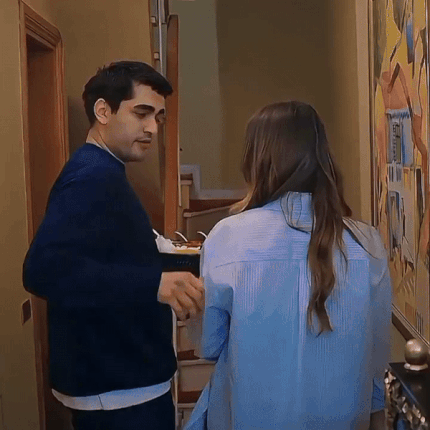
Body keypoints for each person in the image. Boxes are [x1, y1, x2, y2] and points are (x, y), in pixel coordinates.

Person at [184, 101, 391, 430]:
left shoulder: (228, 237)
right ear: (323, 157)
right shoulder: (367, 243)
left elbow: (209, 344)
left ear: (256, 160)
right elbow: (377, 357)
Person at [23, 61, 204, 430]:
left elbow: (101, 255)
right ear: (103, 111)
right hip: (118, 393)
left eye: (158, 117)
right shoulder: (91, 176)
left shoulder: (105, 170)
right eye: (141, 113)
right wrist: (153, 284)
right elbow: (43, 269)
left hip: (121, 385)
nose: (153, 128)